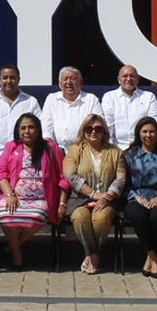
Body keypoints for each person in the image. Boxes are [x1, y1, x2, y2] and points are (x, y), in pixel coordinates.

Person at [0, 113, 69, 271]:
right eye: (23, 128)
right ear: (18, 131)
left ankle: (13, 247)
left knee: (36, 216)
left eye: (31, 127)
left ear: (38, 130)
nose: (27, 131)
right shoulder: (11, 147)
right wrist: (9, 195)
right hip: (14, 195)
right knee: (5, 214)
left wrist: (62, 203)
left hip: (42, 199)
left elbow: (62, 177)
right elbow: (0, 173)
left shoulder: (50, 148)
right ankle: (17, 255)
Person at [63, 114, 126, 274]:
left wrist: (106, 196)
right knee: (79, 218)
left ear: (104, 132)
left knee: (101, 219)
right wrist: (93, 195)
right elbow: (70, 176)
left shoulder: (115, 152)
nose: (93, 132)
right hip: (80, 199)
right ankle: (92, 253)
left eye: (98, 129)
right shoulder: (75, 150)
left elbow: (120, 178)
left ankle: (92, 255)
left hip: (107, 200)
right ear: (83, 131)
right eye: (89, 128)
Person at [122, 117, 157, 278]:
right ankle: (154, 256)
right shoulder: (129, 155)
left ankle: (149, 258)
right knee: (138, 214)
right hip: (136, 198)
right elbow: (124, 184)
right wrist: (138, 198)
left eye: (152, 131)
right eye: (145, 131)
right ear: (138, 133)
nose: (148, 135)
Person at [0, 64, 42, 156]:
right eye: (5, 78)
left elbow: (39, 127)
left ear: (19, 80)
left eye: (12, 78)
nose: (8, 81)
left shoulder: (31, 101)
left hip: (23, 156)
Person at [102, 64, 157, 150]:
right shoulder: (109, 97)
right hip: (117, 148)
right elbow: (108, 124)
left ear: (138, 79)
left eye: (132, 76)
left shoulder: (149, 97)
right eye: (125, 76)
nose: (128, 79)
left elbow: (156, 123)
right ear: (119, 80)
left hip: (143, 148)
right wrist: (110, 149)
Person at [41, 66, 103, 152]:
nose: (69, 82)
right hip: (56, 150)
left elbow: (98, 126)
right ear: (59, 84)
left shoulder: (91, 99)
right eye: (65, 79)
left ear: (80, 83)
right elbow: (46, 127)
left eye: (73, 79)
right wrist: (51, 148)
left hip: (84, 150)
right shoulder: (51, 99)